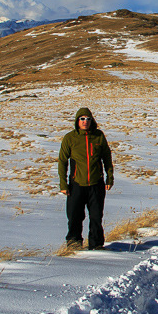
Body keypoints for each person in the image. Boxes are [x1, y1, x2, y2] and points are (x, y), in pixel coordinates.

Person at [58, 107, 114, 250]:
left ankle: (96, 245)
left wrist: (109, 178)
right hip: (77, 184)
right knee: (74, 216)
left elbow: (107, 158)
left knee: (96, 217)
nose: (85, 122)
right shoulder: (70, 138)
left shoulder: (98, 136)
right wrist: (63, 184)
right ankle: (73, 243)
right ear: (77, 121)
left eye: (88, 119)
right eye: (82, 119)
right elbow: (62, 161)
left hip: (96, 184)